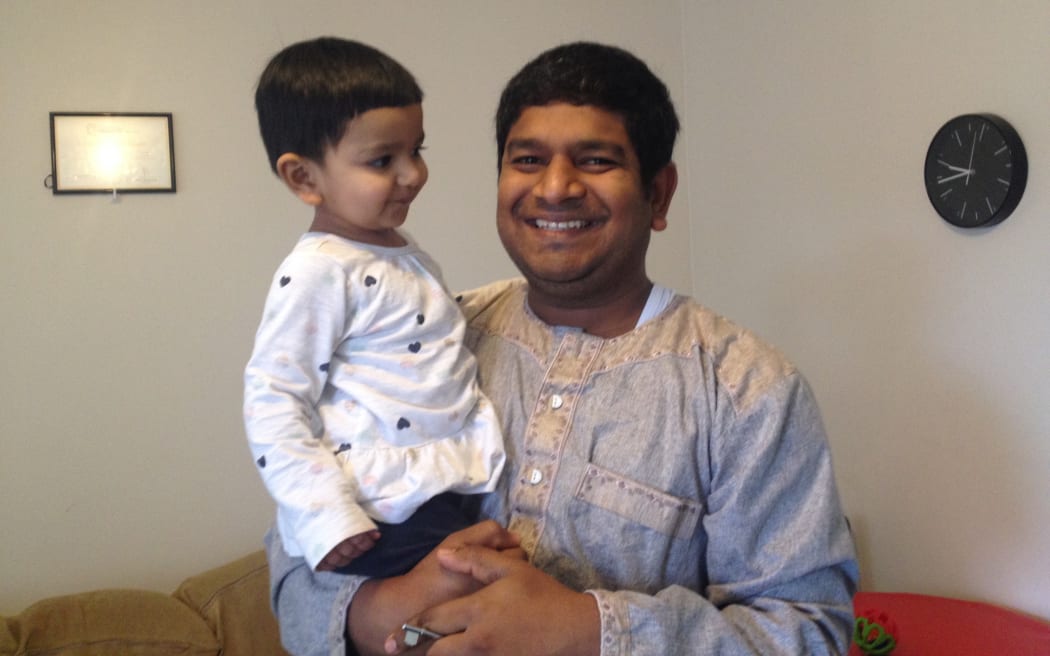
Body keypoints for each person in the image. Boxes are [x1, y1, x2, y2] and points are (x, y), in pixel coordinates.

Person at [265, 41, 859, 655]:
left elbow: (808, 630)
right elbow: (294, 557)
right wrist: (378, 609)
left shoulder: (744, 389)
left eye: (596, 160)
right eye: (526, 159)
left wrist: (591, 631)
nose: (554, 188)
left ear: (658, 194)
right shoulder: (430, 336)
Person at [244, 37, 506, 580]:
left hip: (439, 487)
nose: (412, 173)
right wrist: (325, 515)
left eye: (417, 150)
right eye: (383, 159)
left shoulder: (392, 249)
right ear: (303, 177)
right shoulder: (320, 269)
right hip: (382, 511)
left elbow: (411, 332)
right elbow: (273, 399)